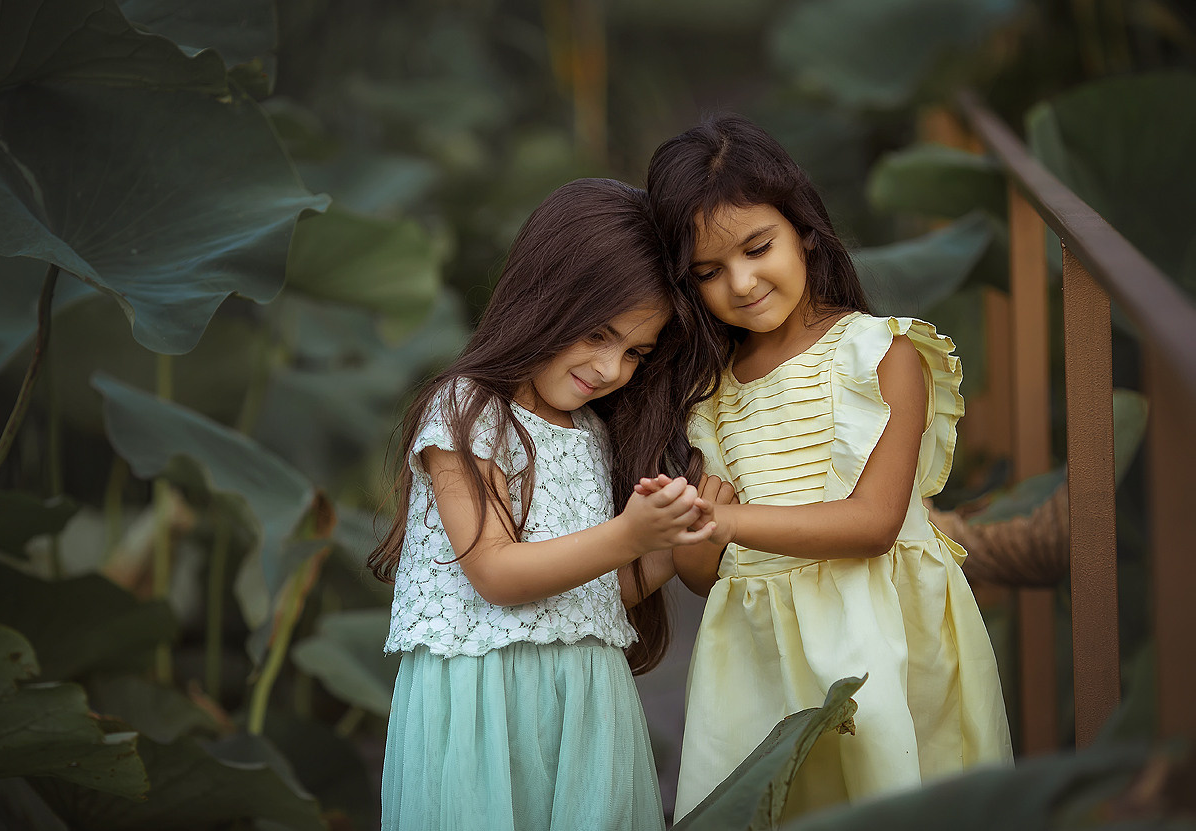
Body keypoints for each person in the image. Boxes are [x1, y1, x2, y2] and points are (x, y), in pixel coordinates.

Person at [643, 115, 1013, 822]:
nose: (741, 283)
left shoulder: (879, 353)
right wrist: (695, 536)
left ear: (803, 230)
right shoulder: (711, 391)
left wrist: (720, 517)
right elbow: (704, 570)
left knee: (885, 794)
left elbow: (873, 524)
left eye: (757, 248)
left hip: (875, 637)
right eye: (708, 273)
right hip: (756, 654)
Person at [367, 178, 725, 831]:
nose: (612, 367)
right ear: (545, 297)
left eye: (635, 352)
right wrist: (630, 533)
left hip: (585, 701)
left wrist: (677, 541)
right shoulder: (467, 409)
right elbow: (498, 573)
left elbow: (597, 590)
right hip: (483, 707)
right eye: (598, 334)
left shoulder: (591, 429)